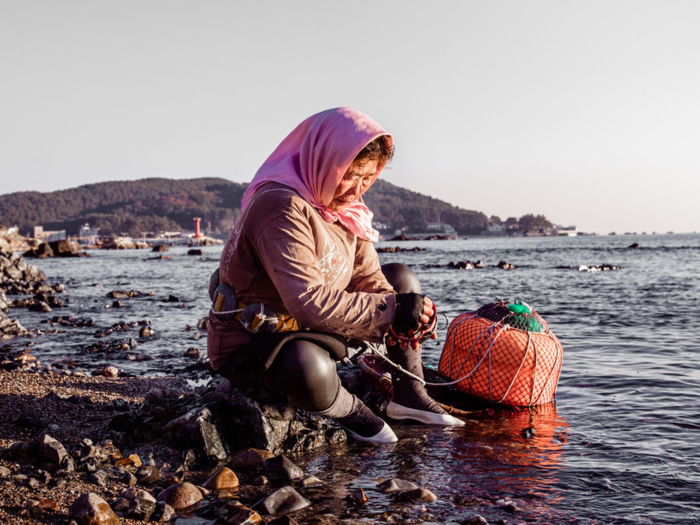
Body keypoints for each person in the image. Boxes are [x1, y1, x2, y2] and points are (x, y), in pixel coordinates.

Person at [207, 107, 464, 444]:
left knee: (401, 282)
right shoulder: (281, 206)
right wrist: (390, 312)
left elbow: (368, 276)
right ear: (325, 161)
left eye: (367, 178)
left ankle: (408, 395)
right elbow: (307, 301)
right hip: (257, 339)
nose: (357, 189)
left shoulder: (344, 208)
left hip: (319, 326)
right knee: (308, 367)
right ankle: (351, 411)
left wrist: (404, 313)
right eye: (350, 174)